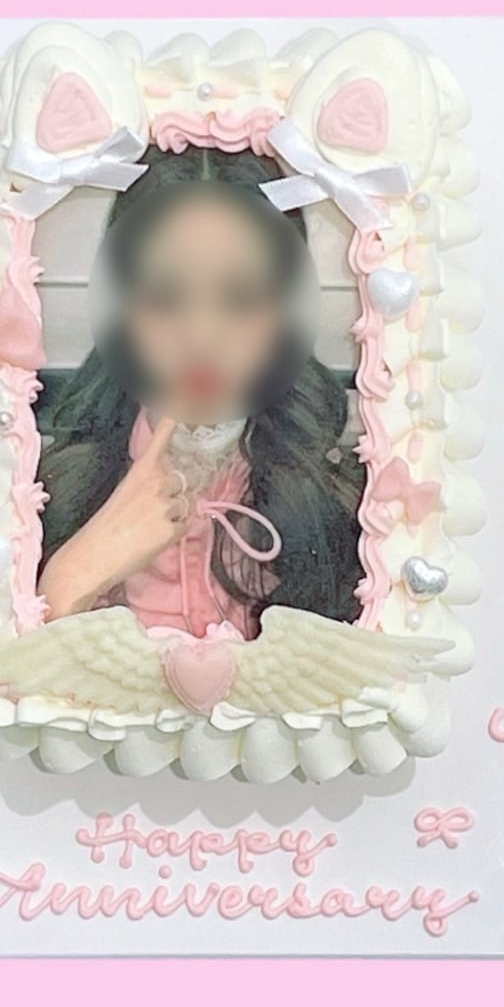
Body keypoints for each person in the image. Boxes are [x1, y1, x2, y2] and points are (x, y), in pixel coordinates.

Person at [37, 146, 364, 638]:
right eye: (165, 297)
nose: (202, 339)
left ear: (284, 309)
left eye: (241, 298)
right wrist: (75, 574)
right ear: (122, 306)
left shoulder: (348, 494)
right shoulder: (41, 489)